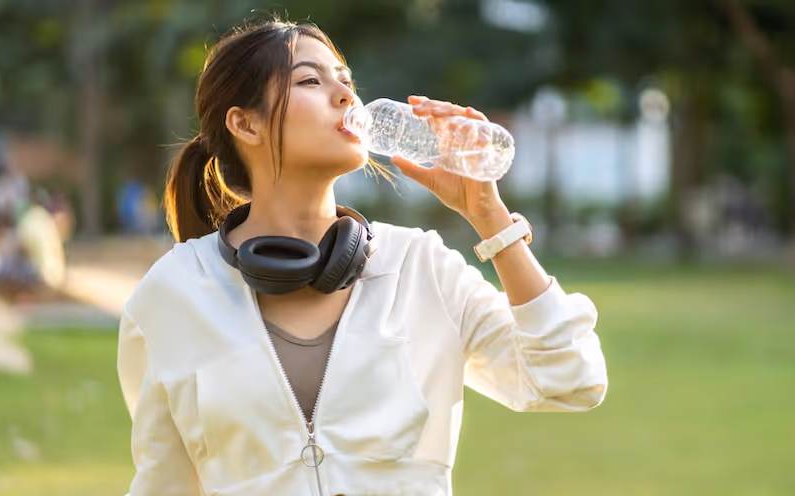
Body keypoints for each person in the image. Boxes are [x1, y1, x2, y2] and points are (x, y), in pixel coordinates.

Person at [116, 18, 608, 496]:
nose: (347, 95)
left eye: (347, 81)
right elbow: (164, 484)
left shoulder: (420, 266)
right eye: (310, 79)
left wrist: (489, 215)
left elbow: (570, 378)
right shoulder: (172, 294)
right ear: (245, 123)